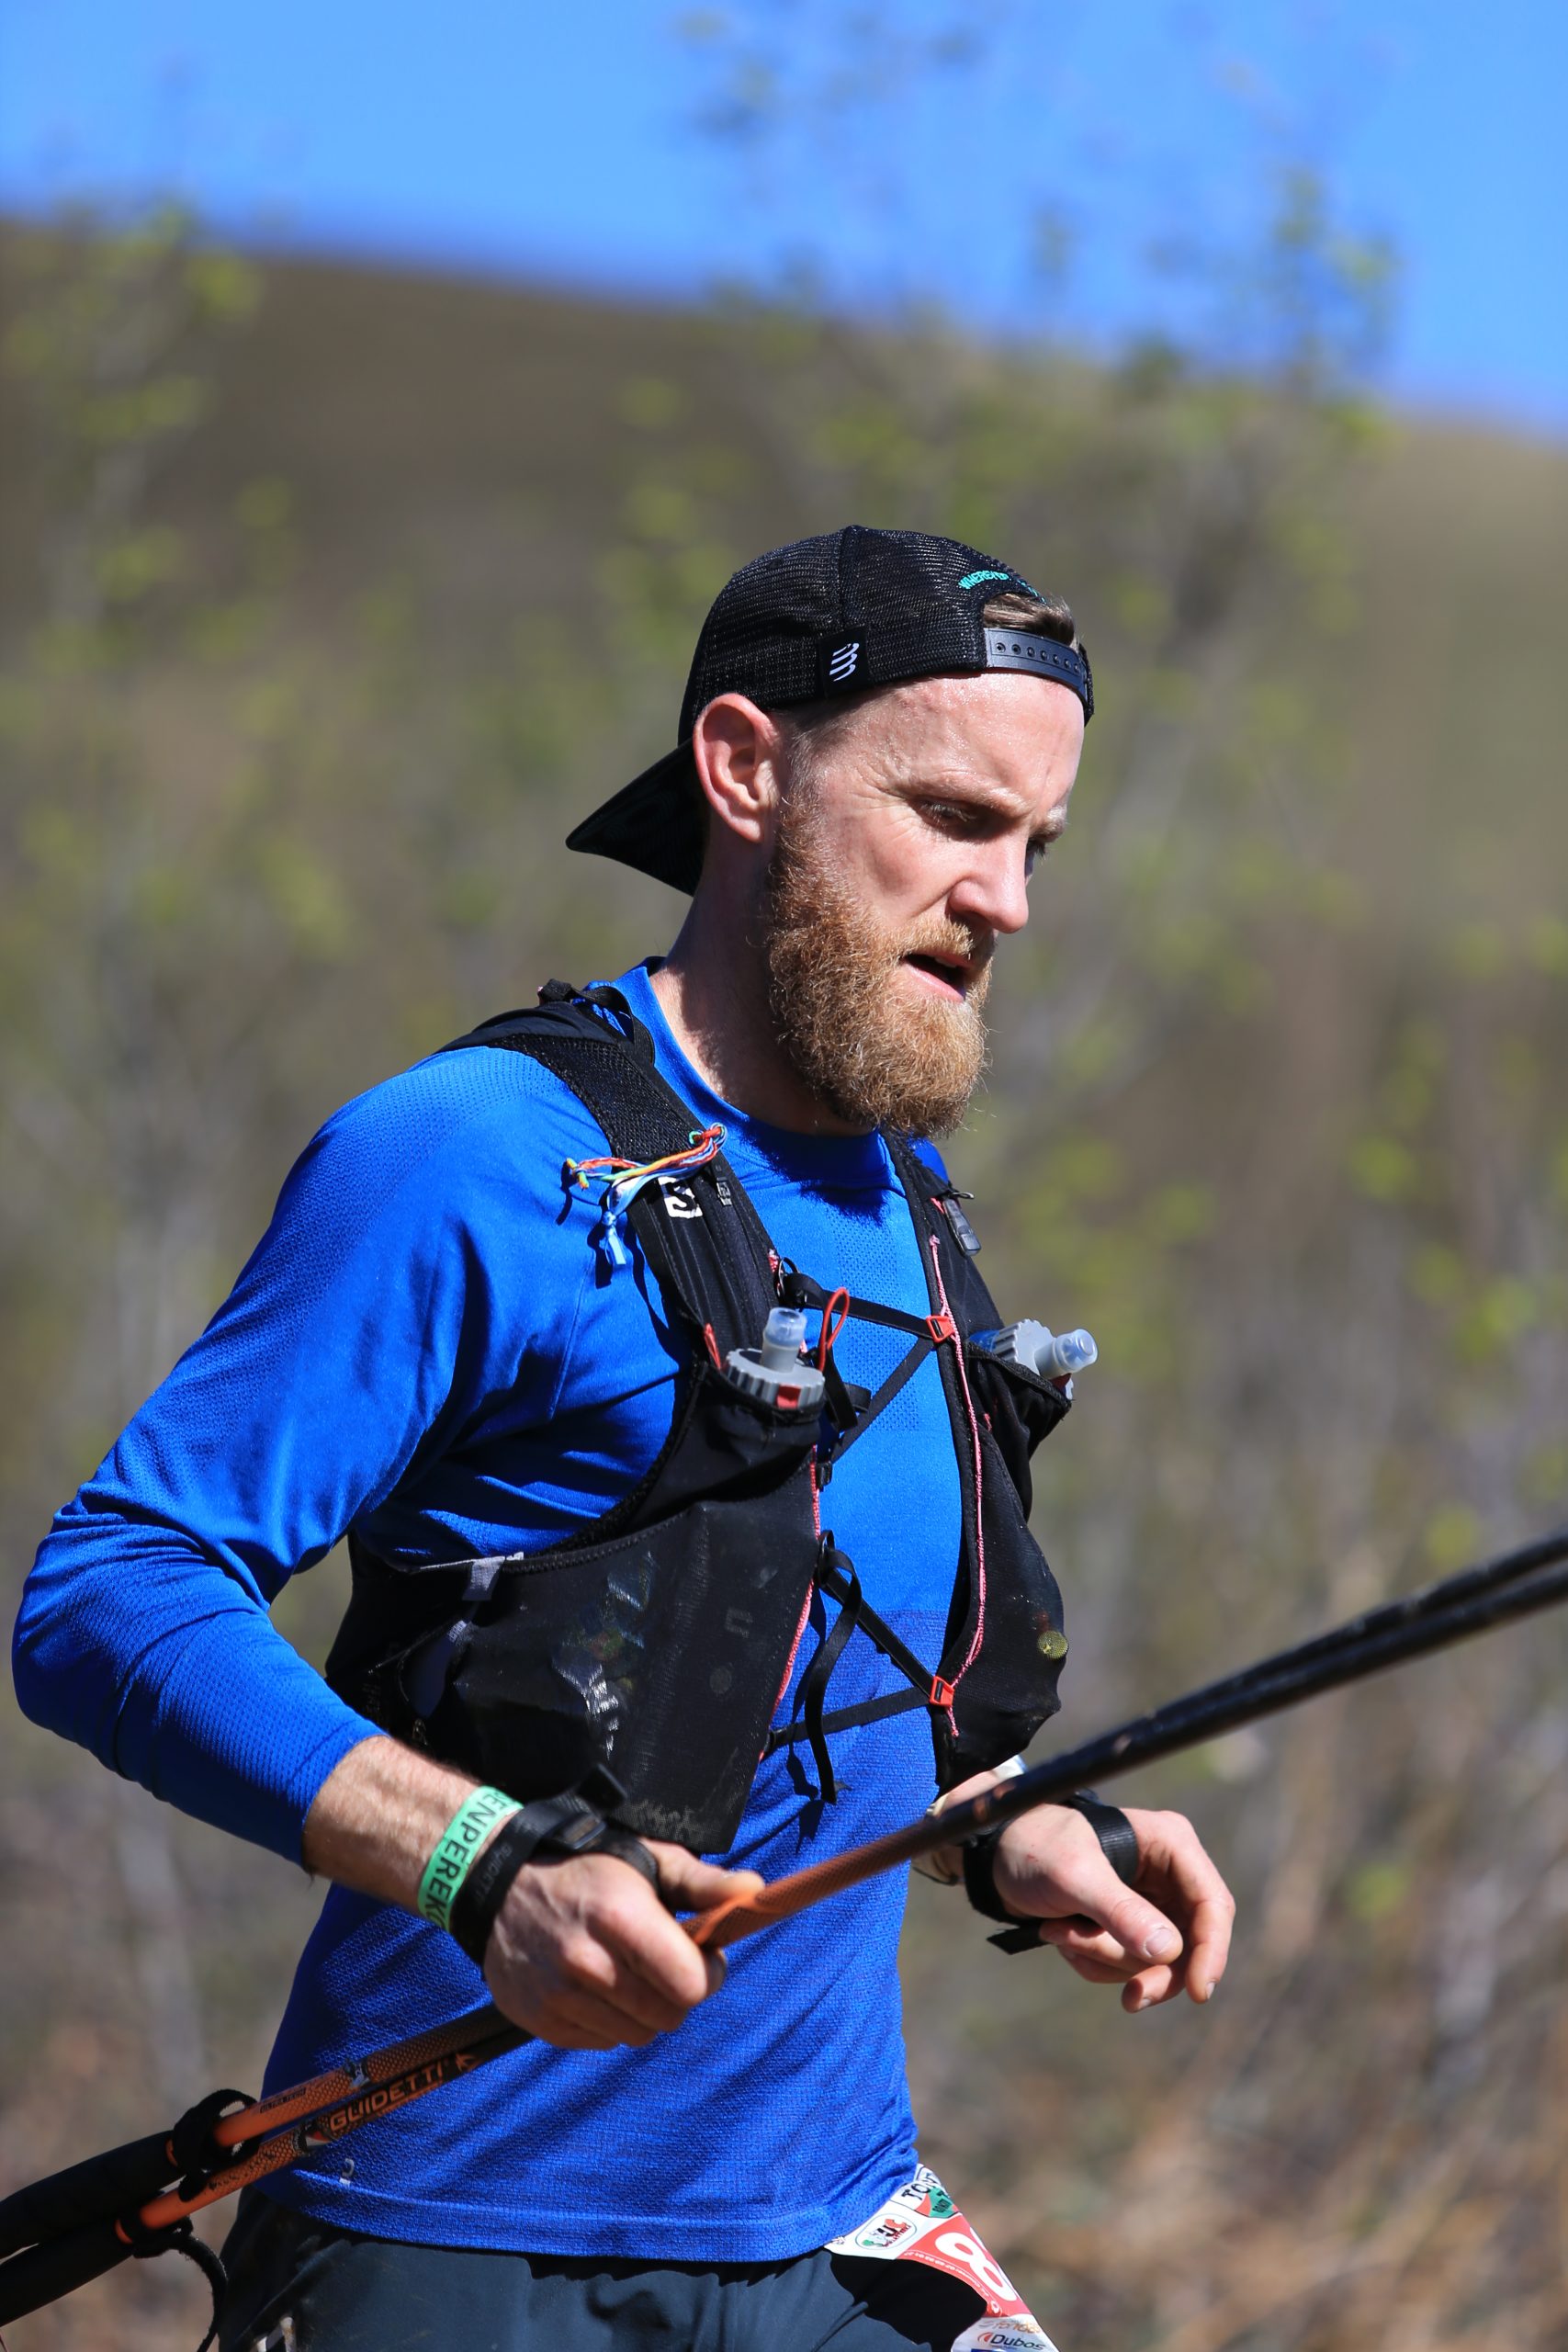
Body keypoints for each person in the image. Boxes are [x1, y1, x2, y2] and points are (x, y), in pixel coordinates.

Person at [14, 526, 1235, 2352]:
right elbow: (110, 1592)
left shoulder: (904, 1200)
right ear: (744, 768)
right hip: (455, 2239)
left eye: (1034, 843)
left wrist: (1005, 1829)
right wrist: (480, 1863)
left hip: (838, 2217)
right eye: (950, 817)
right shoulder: (470, 1153)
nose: (1005, 901)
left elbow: (778, 1669)